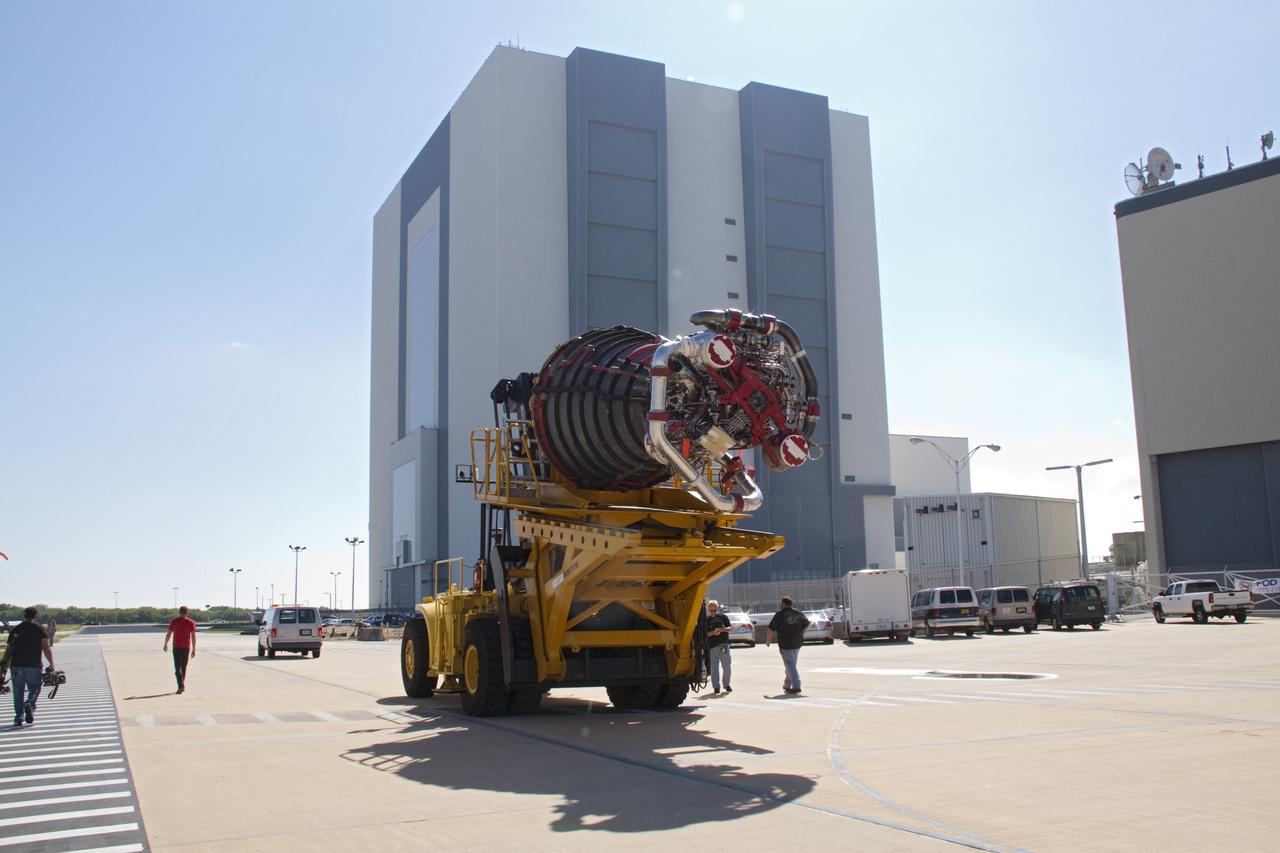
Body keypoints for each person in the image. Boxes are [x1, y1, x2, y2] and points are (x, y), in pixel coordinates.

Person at [1, 606, 55, 727]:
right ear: (35, 616)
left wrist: (4, 666)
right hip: (34, 665)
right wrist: (51, 663)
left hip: (16, 666)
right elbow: (46, 647)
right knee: (35, 687)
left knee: (18, 692)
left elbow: (9, 649)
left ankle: (18, 718)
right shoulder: (39, 629)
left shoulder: (16, 629)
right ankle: (30, 704)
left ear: (24, 616)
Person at [766, 596, 809, 694]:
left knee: (790, 665)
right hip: (797, 643)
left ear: (783, 604)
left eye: (781, 604)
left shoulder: (780, 614)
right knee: (791, 665)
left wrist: (768, 640)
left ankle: (796, 685)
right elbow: (807, 625)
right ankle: (787, 685)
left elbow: (770, 628)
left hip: (785, 644)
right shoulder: (798, 613)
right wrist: (801, 634)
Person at [163, 606, 198, 694]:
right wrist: (194, 649)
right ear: (187, 613)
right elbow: (193, 636)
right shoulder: (190, 622)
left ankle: (181, 685)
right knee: (183, 667)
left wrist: (165, 644)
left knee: (178, 668)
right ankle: (181, 685)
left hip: (176, 647)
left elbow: (169, 634)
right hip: (186, 647)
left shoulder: (174, 621)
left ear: (179, 612)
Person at [705, 600, 732, 694]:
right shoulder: (706, 620)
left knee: (727, 666)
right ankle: (716, 686)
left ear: (718, 609)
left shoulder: (723, 617)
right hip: (712, 647)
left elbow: (730, 628)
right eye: (711, 610)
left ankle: (726, 684)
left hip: (723, 645)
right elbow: (705, 634)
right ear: (708, 610)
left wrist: (722, 629)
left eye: (714, 610)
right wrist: (713, 633)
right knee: (714, 668)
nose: (713, 612)